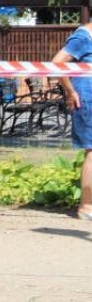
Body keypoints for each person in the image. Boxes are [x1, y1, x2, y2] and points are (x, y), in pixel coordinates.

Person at [50, 26, 92, 221]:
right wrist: (70, 91)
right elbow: (58, 63)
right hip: (87, 99)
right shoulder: (83, 36)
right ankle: (86, 206)